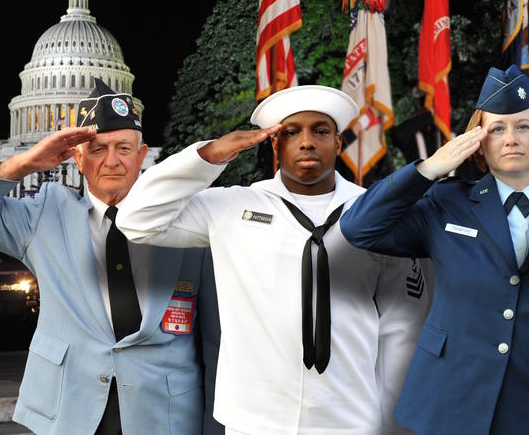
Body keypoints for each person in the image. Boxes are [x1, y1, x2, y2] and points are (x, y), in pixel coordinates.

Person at [115, 85, 428, 435]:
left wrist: (392, 422)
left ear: (338, 144)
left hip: (351, 417)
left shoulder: (376, 212)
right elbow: (135, 220)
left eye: (320, 131)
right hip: (253, 419)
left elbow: (400, 326)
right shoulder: (231, 207)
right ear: (274, 144)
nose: (306, 142)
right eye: (291, 132)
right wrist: (210, 154)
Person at [339, 65, 529, 435]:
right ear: (479, 145)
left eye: (524, 126)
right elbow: (359, 228)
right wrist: (426, 170)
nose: (511, 139)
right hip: (452, 404)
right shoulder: (446, 203)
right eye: (496, 129)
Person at [0, 79, 221, 435]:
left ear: (143, 155)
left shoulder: (189, 224)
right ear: (78, 157)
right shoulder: (45, 216)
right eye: (99, 149)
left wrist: (215, 426)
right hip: (71, 412)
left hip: (166, 416)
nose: (113, 161)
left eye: (124, 148)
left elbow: (214, 341)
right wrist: (25, 163)